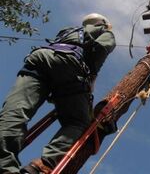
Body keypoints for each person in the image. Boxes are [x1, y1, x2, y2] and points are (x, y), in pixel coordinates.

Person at [0, 13, 116, 174]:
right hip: (68, 65)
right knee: (78, 122)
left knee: (15, 111)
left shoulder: (67, 30)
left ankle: (4, 165)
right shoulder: (103, 31)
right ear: (103, 23)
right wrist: (91, 79)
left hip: (39, 59)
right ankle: (43, 165)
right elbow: (101, 49)